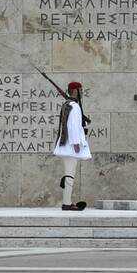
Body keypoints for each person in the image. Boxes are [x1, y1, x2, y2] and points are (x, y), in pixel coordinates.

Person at [53, 81, 91, 211]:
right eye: (80, 90)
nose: (82, 93)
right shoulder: (74, 106)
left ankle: (67, 201)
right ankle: (67, 203)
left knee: (69, 173)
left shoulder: (68, 104)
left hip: (66, 145)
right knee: (70, 174)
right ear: (75, 91)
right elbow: (73, 126)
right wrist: (76, 143)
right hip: (71, 146)